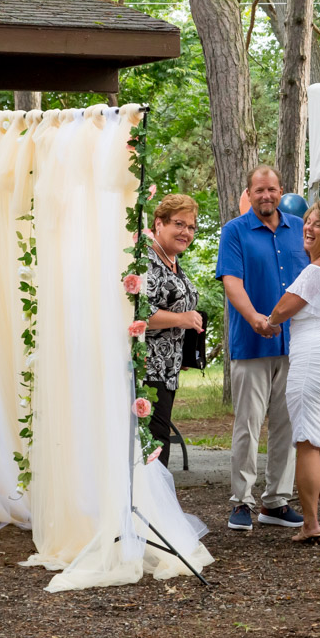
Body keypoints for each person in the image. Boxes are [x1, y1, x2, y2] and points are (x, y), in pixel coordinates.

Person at [216, 165, 310, 533]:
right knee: (248, 424)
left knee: (287, 425)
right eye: (259, 190)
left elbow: (315, 273)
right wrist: (254, 316)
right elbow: (232, 282)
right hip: (252, 342)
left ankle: (276, 501)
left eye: (271, 189)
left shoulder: (300, 229)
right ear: (249, 194)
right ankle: (241, 500)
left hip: (294, 343)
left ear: (280, 190)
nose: (266, 196)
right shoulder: (235, 231)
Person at [261, 201, 320, 544]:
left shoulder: (317, 270)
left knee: (306, 443)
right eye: (307, 221)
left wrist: (269, 322)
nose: (308, 228)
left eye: (317, 224)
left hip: (314, 363)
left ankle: (311, 524)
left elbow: (283, 308)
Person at [143, 193, 205, 468]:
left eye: (191, 227)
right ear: (159, 223)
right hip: (147, 370)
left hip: (168, 371)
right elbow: (139, 314)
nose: (186, 232)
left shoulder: (173, 262)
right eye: (179, 224)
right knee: (154, 445)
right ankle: (148, 494)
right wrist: (181, 319)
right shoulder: (147, 261)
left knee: (158, 442)